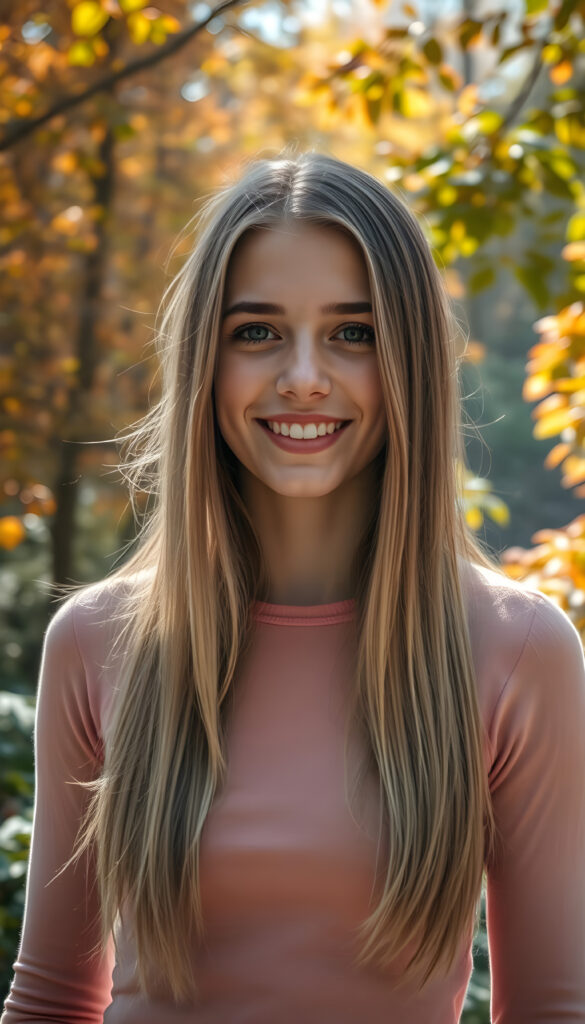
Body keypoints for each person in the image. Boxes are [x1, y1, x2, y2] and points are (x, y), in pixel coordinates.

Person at [2, 147, 585, 1024]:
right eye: (257, 332)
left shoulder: (518, 650)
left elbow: (552, 1008)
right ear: (206, 359)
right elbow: (50, 1000)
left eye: (353, 332)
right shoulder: (94, 639)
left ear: (411, 364)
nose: (303, 374)